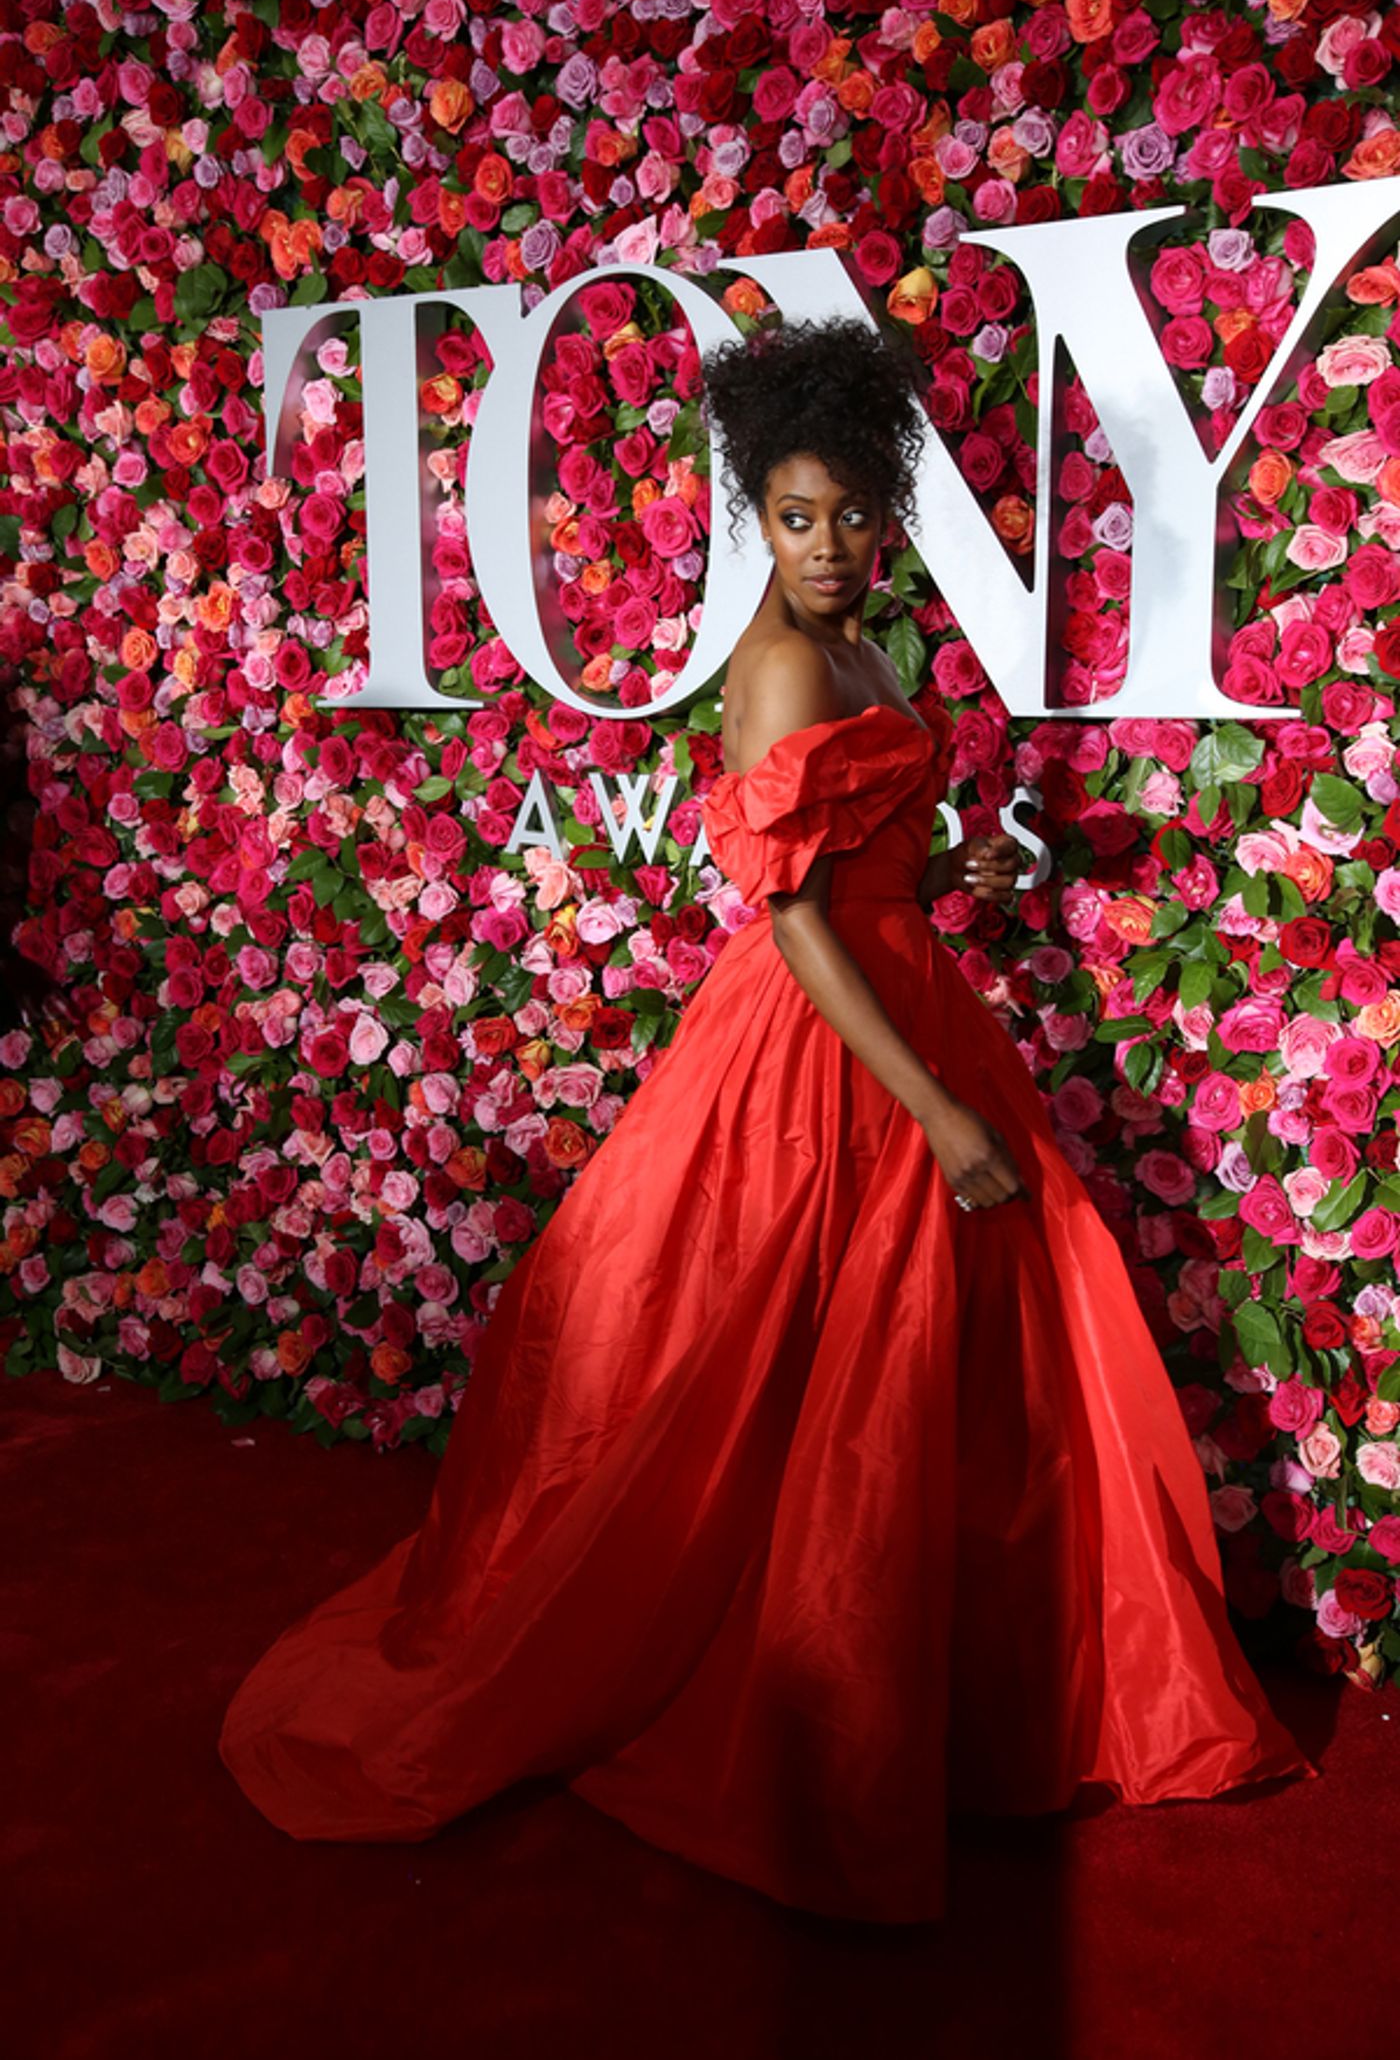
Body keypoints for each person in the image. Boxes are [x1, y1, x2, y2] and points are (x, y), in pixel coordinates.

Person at [219, 314, 1314, 1925]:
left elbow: (864, 873)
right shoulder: (786, 663)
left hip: (902, 999)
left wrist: (951, 873)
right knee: (781, 1369)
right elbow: (794, 919)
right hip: (824, 1049)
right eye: (795, 517)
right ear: (759, 515)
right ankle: (813, 1722)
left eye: (850, 515)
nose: (825, 545)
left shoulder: (868, 654)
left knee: (899, 1377)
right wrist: (934, 1108)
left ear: (886, 513)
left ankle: (925, 1710)